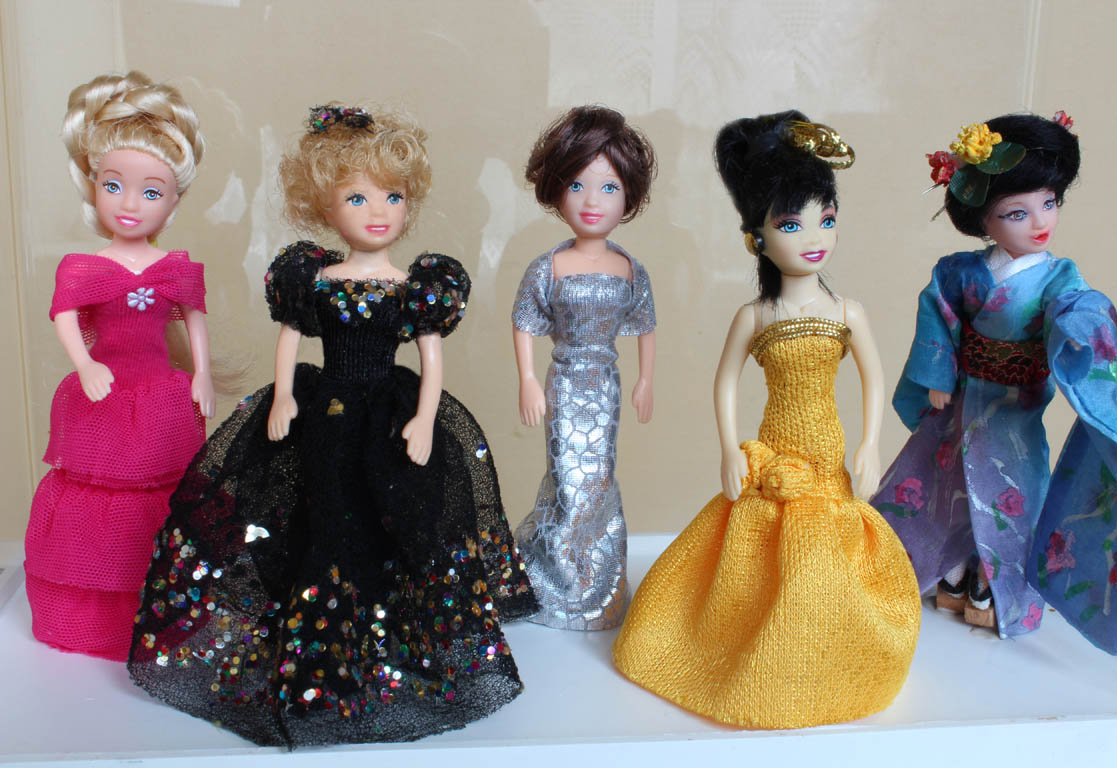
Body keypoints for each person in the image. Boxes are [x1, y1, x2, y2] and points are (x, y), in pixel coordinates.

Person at [128, 105, 536, 747]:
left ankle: (380, 640)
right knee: (320, 514)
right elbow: (290, 340)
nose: (378, 212)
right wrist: (284, 399)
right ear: (324, 205)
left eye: (393, 197)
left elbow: (432, 361)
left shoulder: (414, 286)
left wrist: (425, 419)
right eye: (357, 197)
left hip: (389, 416)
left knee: (388, 518)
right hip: (325, 413)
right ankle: (318, 648)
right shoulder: (313, 280)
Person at [613, 111, 920, 728]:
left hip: (828, 452)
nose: (814, 237)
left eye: (826, 219)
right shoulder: (755, 316)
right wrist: (730, 448)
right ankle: (746, 648)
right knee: (756, 550)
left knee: (827, 550)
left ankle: (826, 649)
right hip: (776, 446)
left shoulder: (847, 312)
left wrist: (870, 444)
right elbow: (725, 380)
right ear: (757, 237)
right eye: (791, 224)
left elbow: (874, 378)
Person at [872, 112, 1117, 654]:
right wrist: (938, 375)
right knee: (943, 483)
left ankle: (996, 589)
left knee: (1014, 493)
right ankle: (950, 571)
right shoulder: (960, 272)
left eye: (1049, 203)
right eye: (1017, 212)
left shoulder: (1058, 279)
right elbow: (937, 313)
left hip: (1015, 409)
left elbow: (1076, 307)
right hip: (961, 401)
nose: (1040, 222)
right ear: (984, 220)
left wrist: (1083, 321)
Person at [25, 71, 214, 661]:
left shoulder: (175, 267)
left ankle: (154, 613)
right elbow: (64, 316)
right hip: (103, 397)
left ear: (174, 200)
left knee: (158, 494)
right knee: (95, 499)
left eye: (151, 192)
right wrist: (84, 363)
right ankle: (89, 617)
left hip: (160, 398)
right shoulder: (84, 267)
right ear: (94, 187)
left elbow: (194, 319)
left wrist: (203, 375)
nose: (130, 205)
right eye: (114, 186)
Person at [511, 105, 657, 630]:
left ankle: (597, 586)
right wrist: (528, 379)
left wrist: (645, 380)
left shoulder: (629, 269)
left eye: (609, 187)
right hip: (564, 383)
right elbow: (524, 321)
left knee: (598, 475)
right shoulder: (549, 267)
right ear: (556, 190)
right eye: (577, 185)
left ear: (629, 196)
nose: (592, 201)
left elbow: (645, 324)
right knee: (567, 474)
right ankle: (553, 582)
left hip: (606, 387)